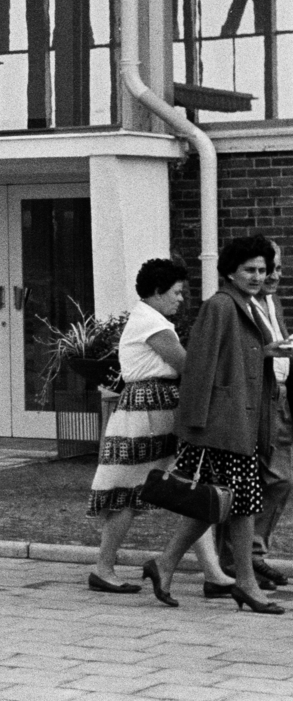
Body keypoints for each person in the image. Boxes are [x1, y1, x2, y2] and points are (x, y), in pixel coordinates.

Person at [145, 235, 288, 613]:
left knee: (221, 504)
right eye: (250, 270)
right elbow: (199, 367)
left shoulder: (248, 304)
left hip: (240, 420)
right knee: (240, 503)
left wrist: (270, 350)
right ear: (230, 272)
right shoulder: (221, 305)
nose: (258, 276)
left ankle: (164, 564)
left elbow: (240, 355)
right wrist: (194, 426)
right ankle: (246, 583)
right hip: (218, 425)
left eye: (262, 269)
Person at [86, 258, 234, 595]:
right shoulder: (153, 324)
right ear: (157, 292)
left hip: (152, 408)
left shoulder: (148, 318)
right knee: (132, 491)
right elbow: (187, 365)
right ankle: (104, 568)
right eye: (177, 292)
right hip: (149, 412)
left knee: (188, 487)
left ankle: (212, 573)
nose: (181, 299)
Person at [218, 239, 292, 588]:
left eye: (274, 269)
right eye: (263, 269)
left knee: (276, 480)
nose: (272, 276)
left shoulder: (269, 302)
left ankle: (251, 555)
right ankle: (239, 559)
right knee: (264, 479)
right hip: (256, 401)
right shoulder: (233, 305)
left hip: (278, 396)